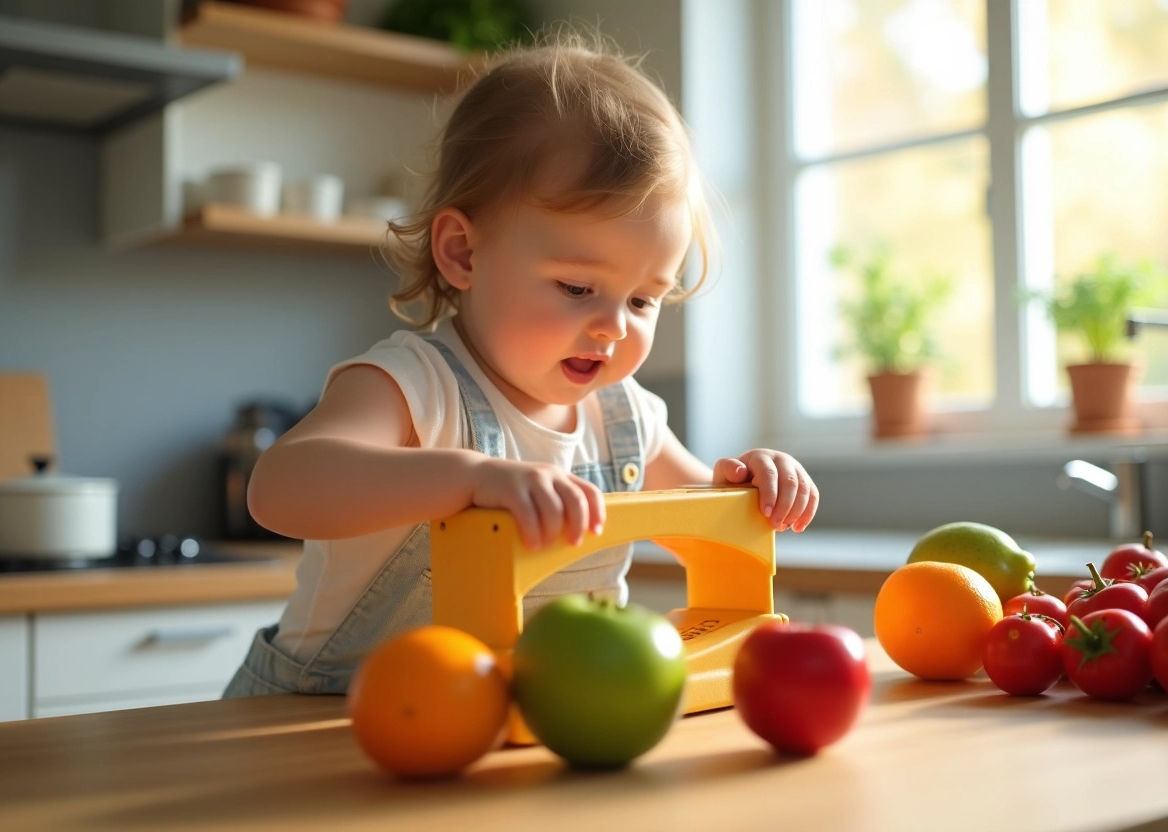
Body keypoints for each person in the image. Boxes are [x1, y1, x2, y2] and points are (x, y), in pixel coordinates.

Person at [222, 31, 818, 698]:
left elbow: (705, 529)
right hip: (329, 721)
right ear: (463, 254)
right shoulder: (412, 385)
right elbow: (278, 489)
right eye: (576, 288)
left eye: (645, 298)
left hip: (510, 718)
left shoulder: (627, 419)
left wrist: (750, 488)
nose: (614, 326)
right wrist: (470, 477)